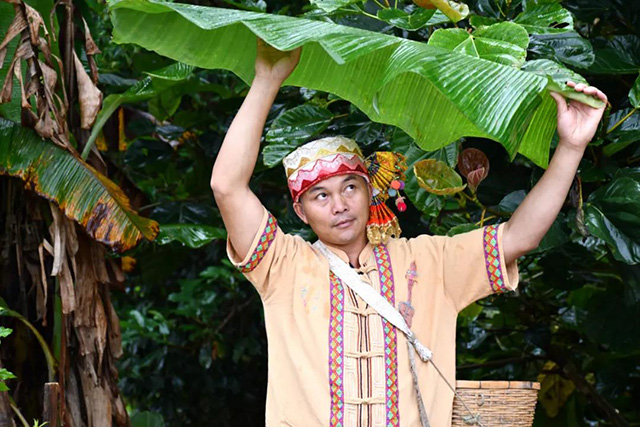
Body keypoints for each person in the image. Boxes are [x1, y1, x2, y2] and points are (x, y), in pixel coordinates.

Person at [210, 40, 608, 427]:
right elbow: (227, 186)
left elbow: (520, 237)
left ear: (370, 191)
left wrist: (572, 146)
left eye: (351, 187)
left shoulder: (430, 261)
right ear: (300, 210)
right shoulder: (281, 265)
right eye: (320, 196)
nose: (340, 205)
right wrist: (267, 78)